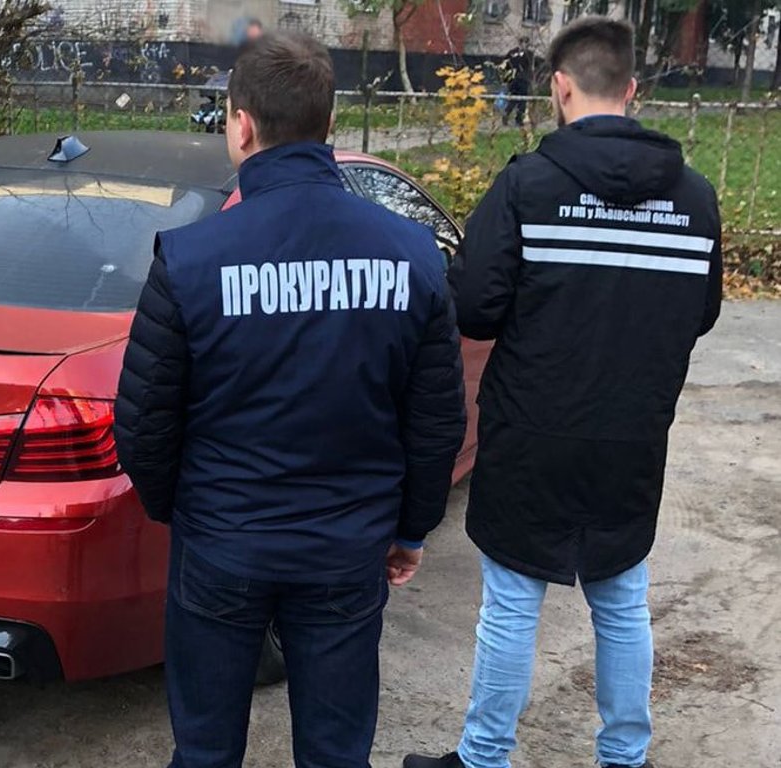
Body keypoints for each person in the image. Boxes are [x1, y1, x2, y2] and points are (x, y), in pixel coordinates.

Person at [114, 33, 468, 768]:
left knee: (204, 751)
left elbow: (145, 421)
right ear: (328, 124)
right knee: (336, 754)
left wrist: (188, 515)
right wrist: (410, 529)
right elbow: (435, 421)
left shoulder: (189, 260)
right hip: (346, 550)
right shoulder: (411, 255)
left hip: (222, 545)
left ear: (241, 125)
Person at [403, 17, 722, 768]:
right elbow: (701, 312)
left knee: (513, 604)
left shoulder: (527, 186)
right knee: (622, 600)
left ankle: (484, 758)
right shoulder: (696, 199)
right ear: (632, 89)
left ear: (559, 86)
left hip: (530, 434)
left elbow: (473, 307)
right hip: (632, 435)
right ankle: (625, 757)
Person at [502, 37, 534, 126]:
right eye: (523, 43)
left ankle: (518, 119)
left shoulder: (529, 54)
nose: (525, 45)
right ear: (520, 43)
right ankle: (506, 114)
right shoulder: (512, 52)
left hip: (524, 79)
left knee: (522, 100)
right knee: (513, 98)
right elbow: (506, 63)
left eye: (526, 43)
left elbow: (528, 65)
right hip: (514, 79)